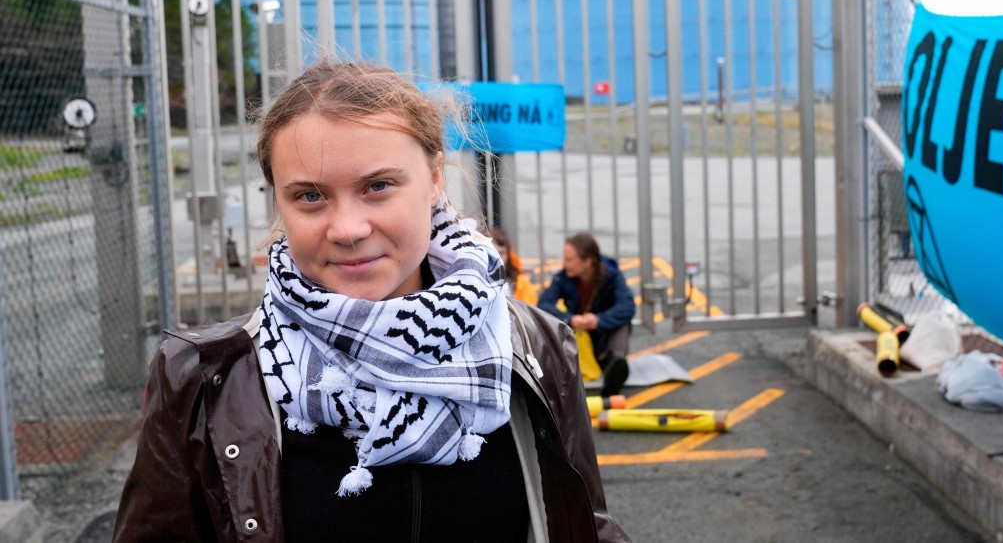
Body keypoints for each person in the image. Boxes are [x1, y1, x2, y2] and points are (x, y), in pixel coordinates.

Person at [114, 62, 628, 543]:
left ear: (433, 180)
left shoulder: (536, 348)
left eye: (378, 186)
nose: (348, 229)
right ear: (279, 202)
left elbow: (584, 525)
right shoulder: (204, 377)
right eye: (310, 196)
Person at [538, 233, 635, 397]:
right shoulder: (563, 278)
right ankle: (609, 367)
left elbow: (627, 306)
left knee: (622, 325)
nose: (564, 264)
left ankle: (615, 365)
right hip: (578, 337)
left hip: (603, 334)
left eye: (569, 259)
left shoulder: (612, 276)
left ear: (587, 262)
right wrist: (570, 318)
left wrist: (598, 320)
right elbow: (543, 304)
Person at [490, 226, 537, 304]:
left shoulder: (523, 285)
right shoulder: (473, 283)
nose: (497, 258)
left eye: (501, 253)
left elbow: (526, 313)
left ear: (508, 255)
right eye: (492, 252)